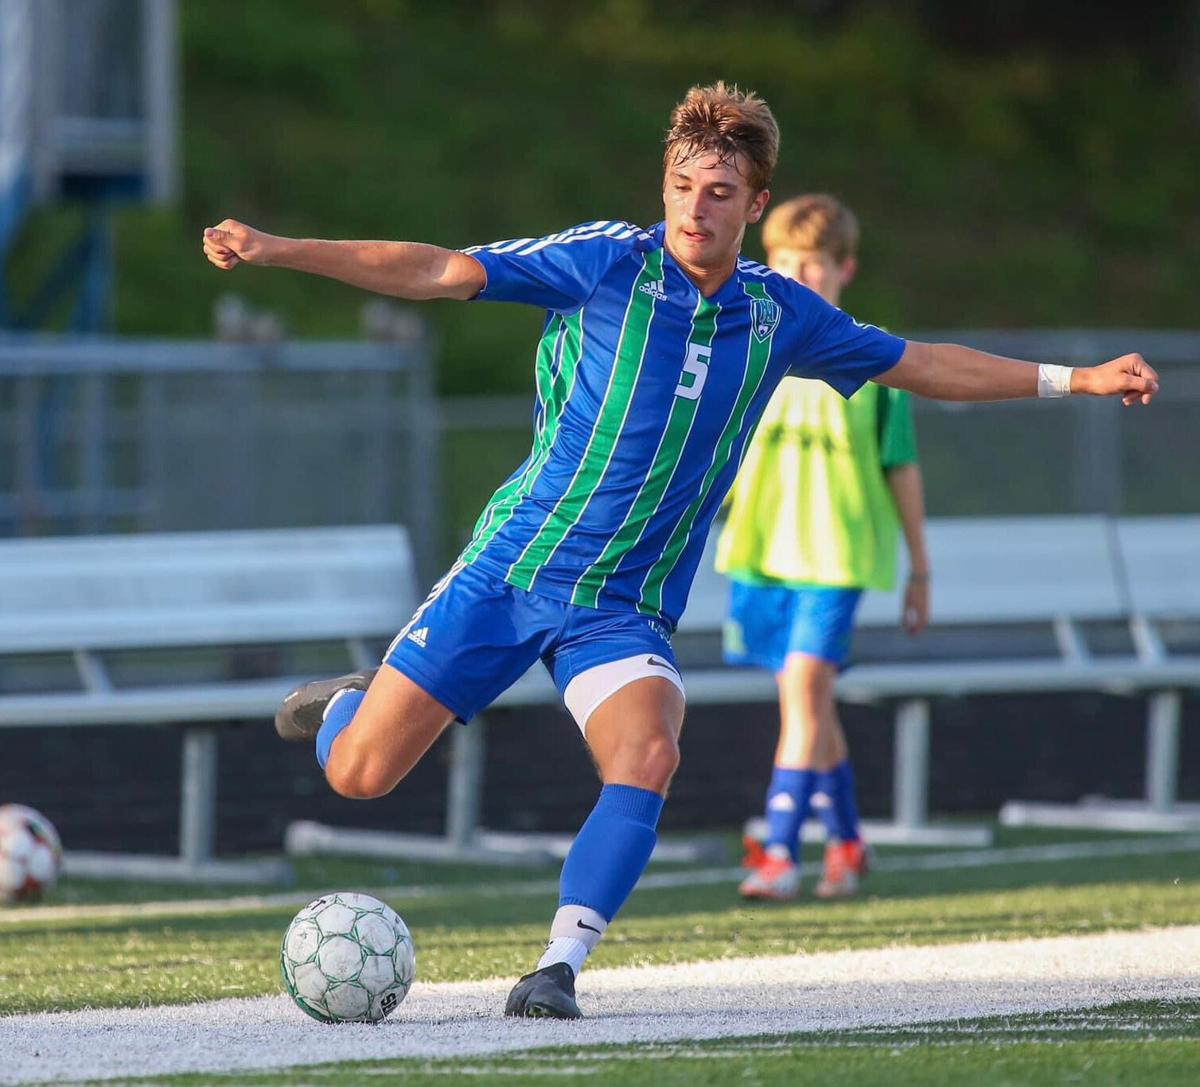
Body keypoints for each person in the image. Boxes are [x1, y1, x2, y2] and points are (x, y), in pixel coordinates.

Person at [201, 82, 1158, 1020]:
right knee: (358, 774)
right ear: (662, 184)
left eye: (720, 192)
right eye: (682, 186)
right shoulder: (603, 264)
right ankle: (346, 704)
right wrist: (280, 249)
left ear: (757, 204)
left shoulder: (782, 314)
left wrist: (1076, 378)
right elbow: (438, 270)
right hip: (512, 572)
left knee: (650, 750)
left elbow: (923, 365)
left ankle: (558, 967)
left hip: (624, 605)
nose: (695, 208)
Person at [716, 194, 928, 901]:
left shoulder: (871, 364)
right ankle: (847, 842)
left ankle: (779, 851)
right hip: (762, 555)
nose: (797, 277)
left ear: (845, 270)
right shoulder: (750, 348)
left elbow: (901, 467)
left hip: (835, 560)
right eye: (782, 263)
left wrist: (919, 566)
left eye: (812, 265)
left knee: (805, 698)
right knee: (810, 710)